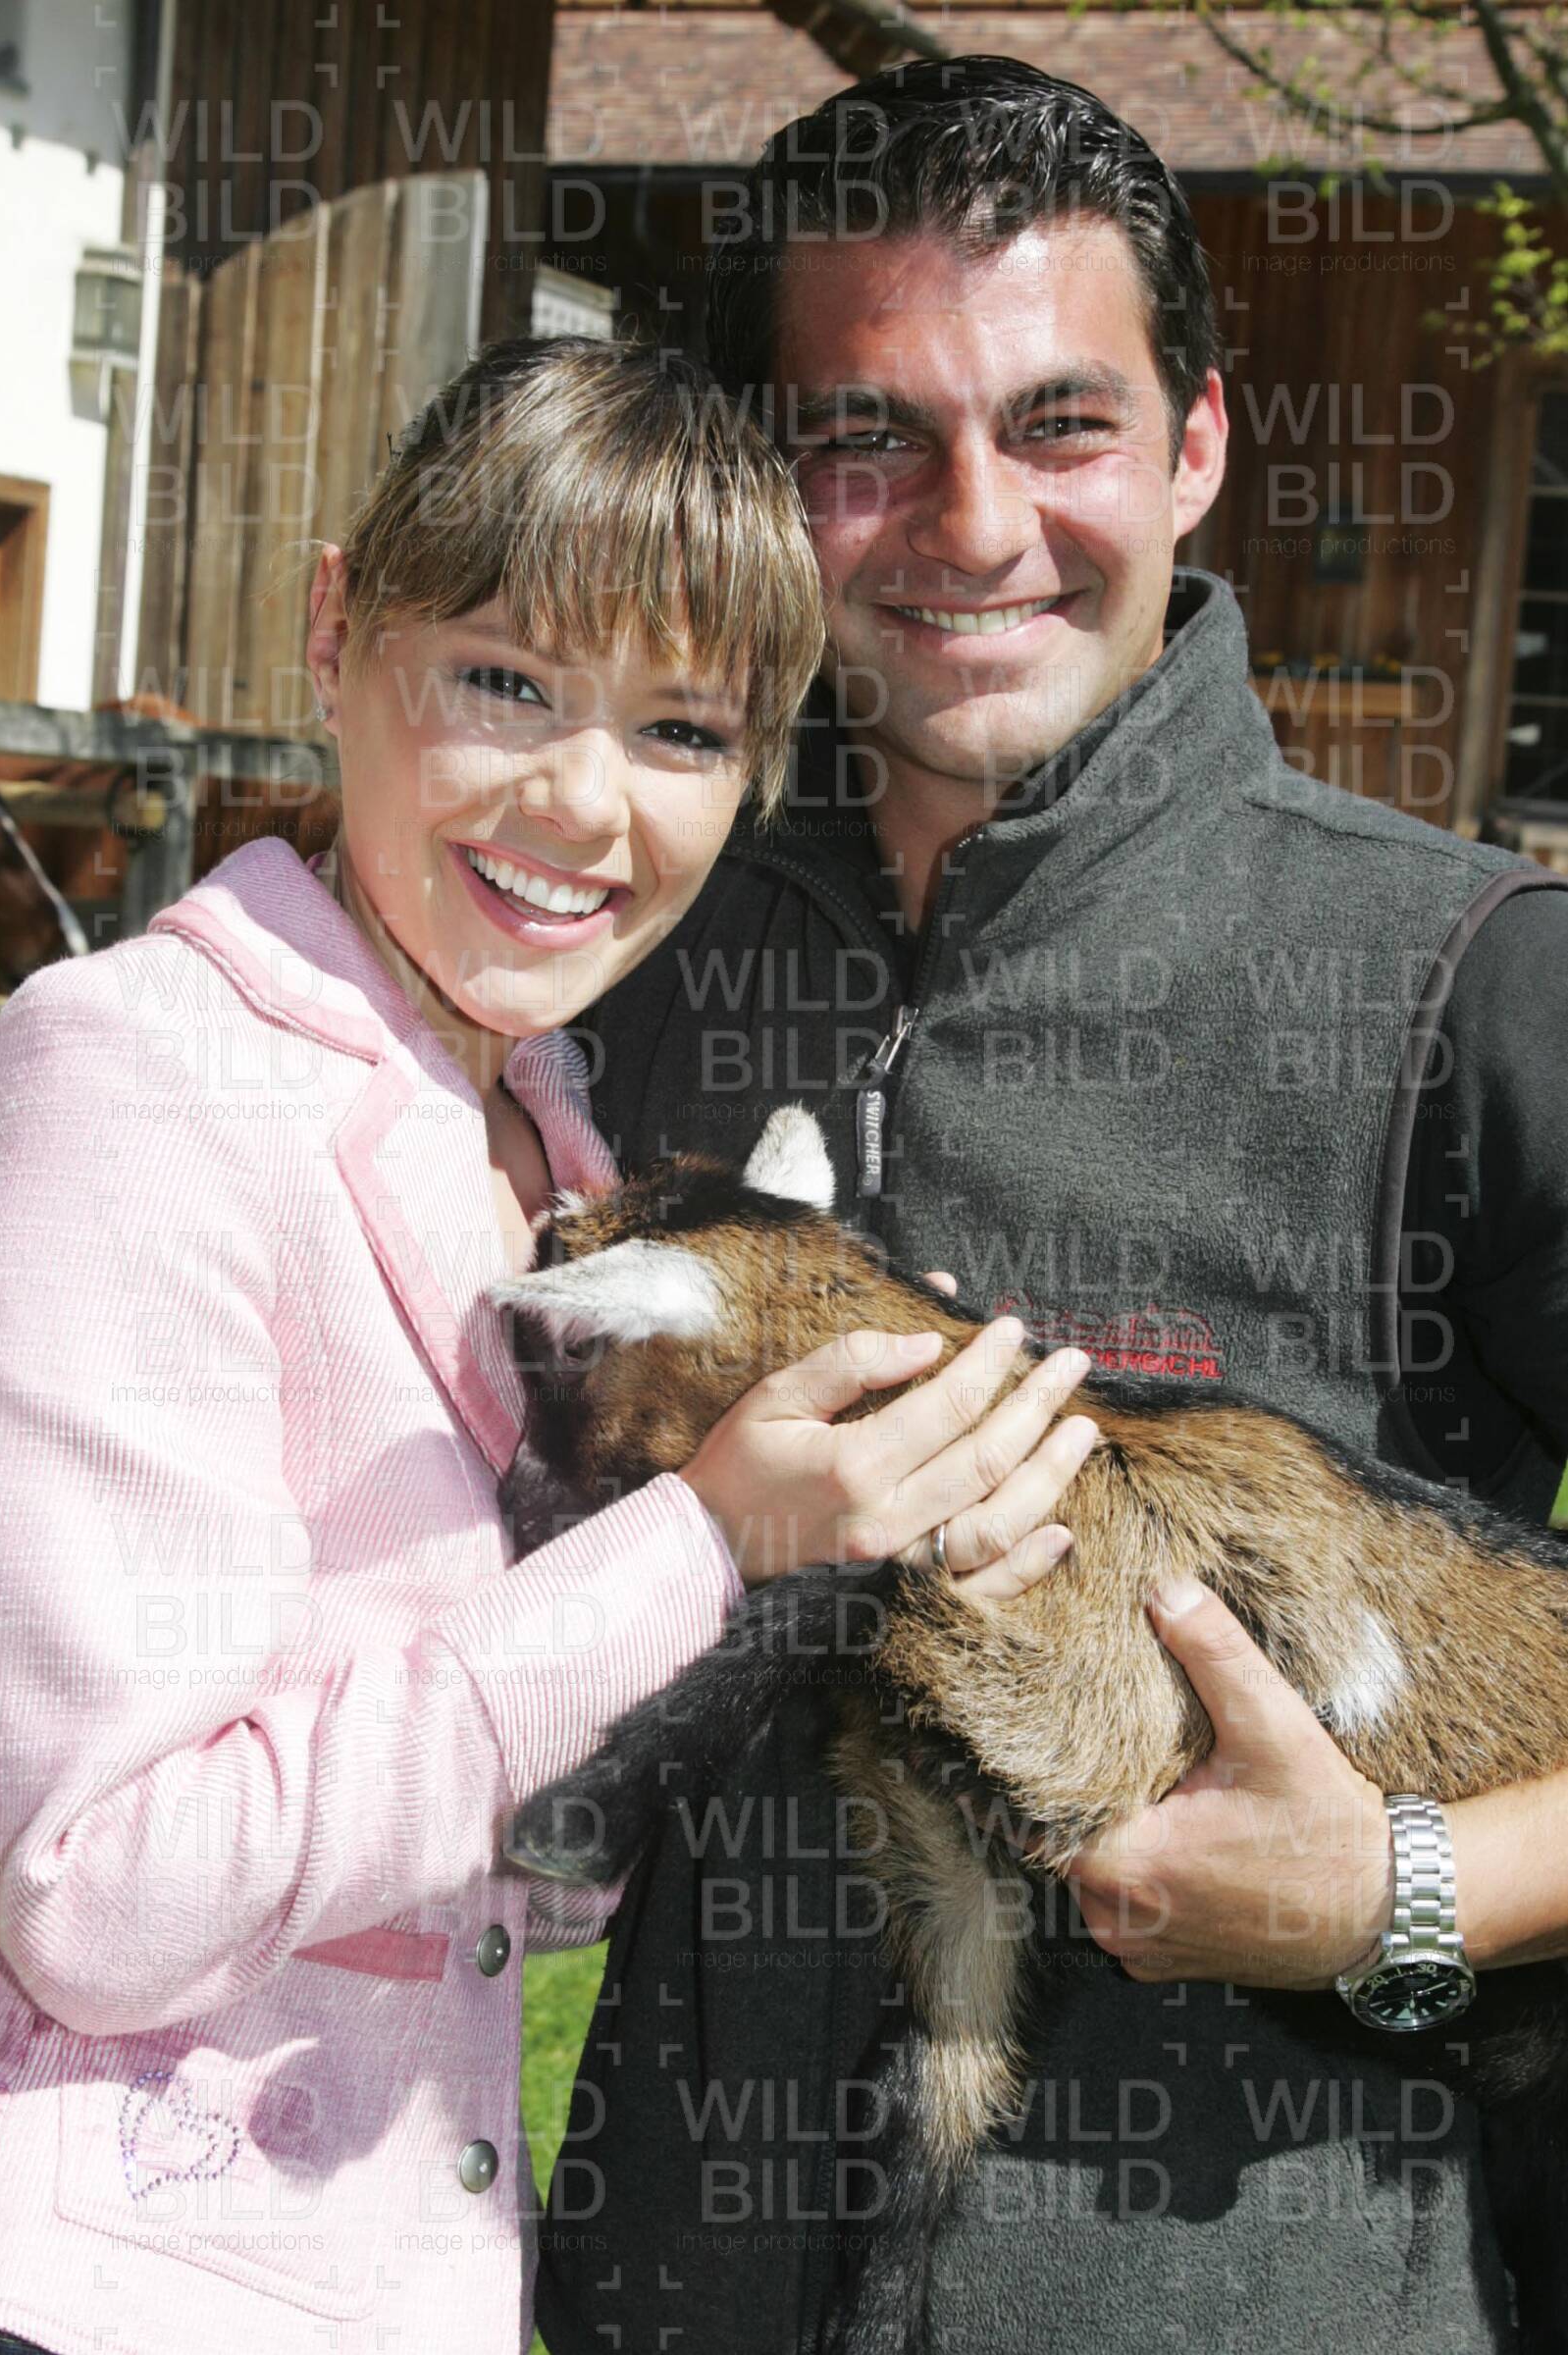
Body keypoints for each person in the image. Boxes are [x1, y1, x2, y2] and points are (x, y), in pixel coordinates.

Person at [537, 60, 1568, 2355]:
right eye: (866, 437)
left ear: (1194, 446)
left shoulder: (1470, 987)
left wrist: (1409, 1889)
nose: (974, 523)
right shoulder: (627, 961)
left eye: (1061, 424)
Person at [0, 336, 1101, 2355]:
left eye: (680, 728)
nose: (584, 804)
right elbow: (103, 1897)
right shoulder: (136, 1078)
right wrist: (705, 1541)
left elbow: (523, 1870)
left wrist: (902, 1534)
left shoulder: (549, 1120)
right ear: (335, 629)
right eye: (504, 680)